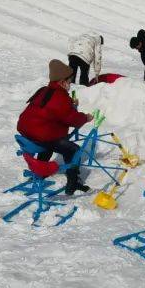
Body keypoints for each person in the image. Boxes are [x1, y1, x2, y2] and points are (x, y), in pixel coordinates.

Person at [16, 60, 93, 196]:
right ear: (62, 82)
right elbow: (73, 119)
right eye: (69, 82)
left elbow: (51, 112)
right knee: (72, 150)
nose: (70, 85)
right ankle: (73, 183)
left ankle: (39, 172)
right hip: (40, 135)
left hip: (27, 133)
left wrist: (70, 104)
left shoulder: (43, 90)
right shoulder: (60, 97)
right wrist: (85, 118)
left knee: (48, 142)